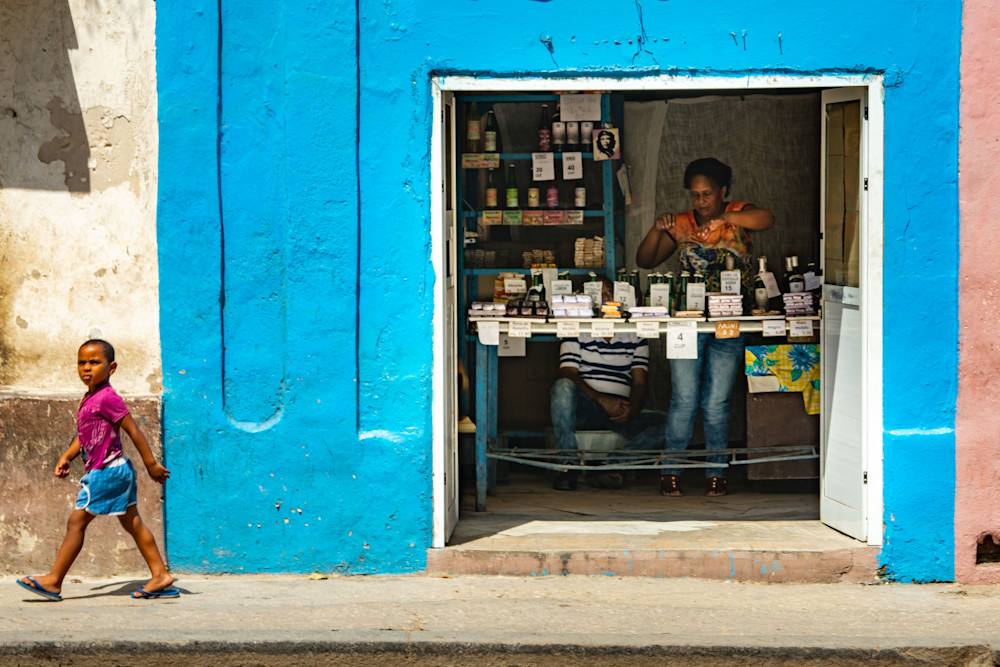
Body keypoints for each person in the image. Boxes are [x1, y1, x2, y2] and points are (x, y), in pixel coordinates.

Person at [635, 158, 773, 497]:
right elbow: (645, 260)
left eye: (707, 194)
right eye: (695, 195)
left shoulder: (739, 212)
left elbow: (766, 219)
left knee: (716, 402)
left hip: (729, 322)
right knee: (684, 398)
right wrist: (657, 229)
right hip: (689, 324)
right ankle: (671, 472)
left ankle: (716, 472)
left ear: (723, 192)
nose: (701, 202)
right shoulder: (682, 224)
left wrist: (724, 217)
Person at [17, 340, 177, 601]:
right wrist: (67, 456)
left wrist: (150, 464)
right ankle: (160, 575)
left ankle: (54, 580)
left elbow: (133, 430)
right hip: (117, 470)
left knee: (76, 521)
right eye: (82, 363)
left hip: (106, 472)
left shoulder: (107, 398)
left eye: (94, 362)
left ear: (111, 367)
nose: (86, 368)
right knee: (132, 522)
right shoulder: (91, 397)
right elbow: (85, 434)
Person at [550, 279, 665, 491]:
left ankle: (609, 466)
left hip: (619, 410)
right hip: (587, 407)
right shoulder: (577, 328)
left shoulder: (636, 333)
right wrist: (601, 399)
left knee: (670, 424)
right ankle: (568, 467)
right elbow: (568, 373)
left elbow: (640, 382)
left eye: (609, 293)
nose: (605, 299)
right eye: (598, 294)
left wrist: (632, 410)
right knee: (562, 387)